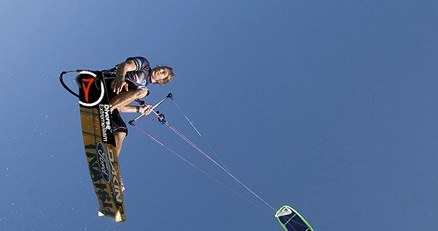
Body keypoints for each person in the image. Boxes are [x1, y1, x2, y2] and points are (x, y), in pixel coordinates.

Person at [103, 56, 174, 158]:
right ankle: (107, 109)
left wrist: (139, 109)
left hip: (109, 102)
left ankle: (110, 163)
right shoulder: (144, 66)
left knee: (121, 131)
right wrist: (120, 78)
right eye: (162, 68)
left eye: (163, 73)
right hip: (106, 82)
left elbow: (120, 107)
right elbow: (125, 65)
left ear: (161, 81)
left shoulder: (142, 89)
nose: (160, 70)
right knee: (143, 92)